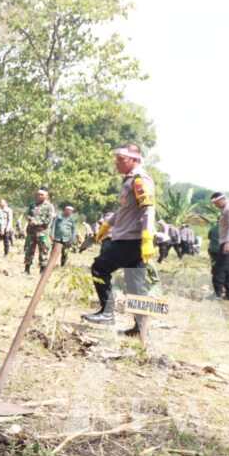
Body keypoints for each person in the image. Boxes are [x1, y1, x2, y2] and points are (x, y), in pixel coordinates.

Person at [81, 144, 156, 339]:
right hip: (130, 238)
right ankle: (141, 329)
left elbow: (148, 209)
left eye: (121, 160)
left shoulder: (140, 180)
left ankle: (107, 313)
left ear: (135, 160)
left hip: (131, 239)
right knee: (135, 284)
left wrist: (148, 238)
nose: (117, 163)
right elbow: (124, 210)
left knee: (99, 268)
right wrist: (106, 226)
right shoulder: (129, 181)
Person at [210, 193, 229, 300]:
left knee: (219, 268)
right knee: (226, 269)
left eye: (216, 203)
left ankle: (217, 294)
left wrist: (228, 242)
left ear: (222, 199)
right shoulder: (225, 210)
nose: (215, 205)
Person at [23, 187, 56, 274]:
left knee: (43, 251)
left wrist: (37, 222)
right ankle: (27, 269)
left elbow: (49, 219)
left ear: (46, 196)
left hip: (42, 232)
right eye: (38, 194)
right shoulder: (32, 204)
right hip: (31, 232)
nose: (39, 196)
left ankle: (42, 270)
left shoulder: (49, 206)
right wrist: (30, 219)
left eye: (42, 195)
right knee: (29, 250)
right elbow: (26, 214)